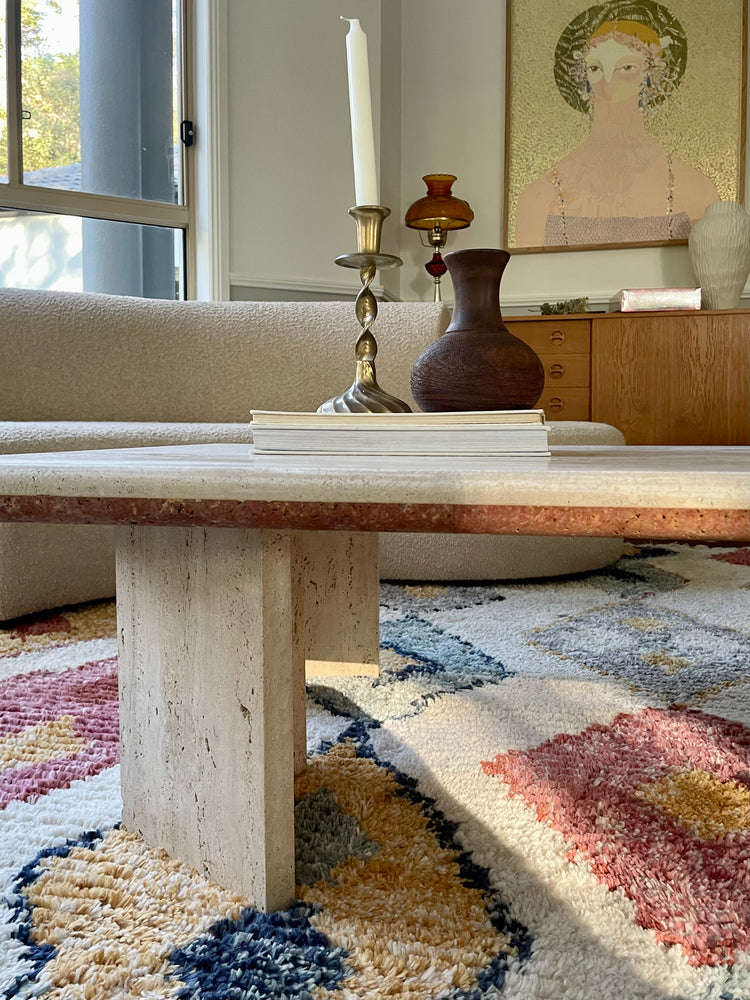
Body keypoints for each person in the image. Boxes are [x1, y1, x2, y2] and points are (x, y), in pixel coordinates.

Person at [514, 1, 719, 248]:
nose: (608, 84)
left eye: (626, 68)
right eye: (596, 68)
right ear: (584, 80)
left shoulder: (694, 188)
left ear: (651, 79)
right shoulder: (541, 194)